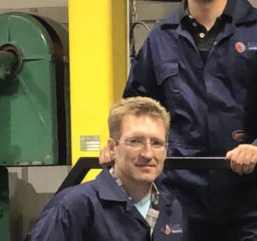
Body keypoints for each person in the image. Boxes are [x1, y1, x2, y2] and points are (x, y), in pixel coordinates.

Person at [122, 0, 257, 240]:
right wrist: (120, 144)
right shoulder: (160, 39)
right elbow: (138, 109)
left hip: (251, 196)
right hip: (179, 197)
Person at [30, 97, 185, 240]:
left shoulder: (171, 209)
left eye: (156, 143)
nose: (147, 153)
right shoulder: (76, 206)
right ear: (112, 148)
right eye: (135, 141)